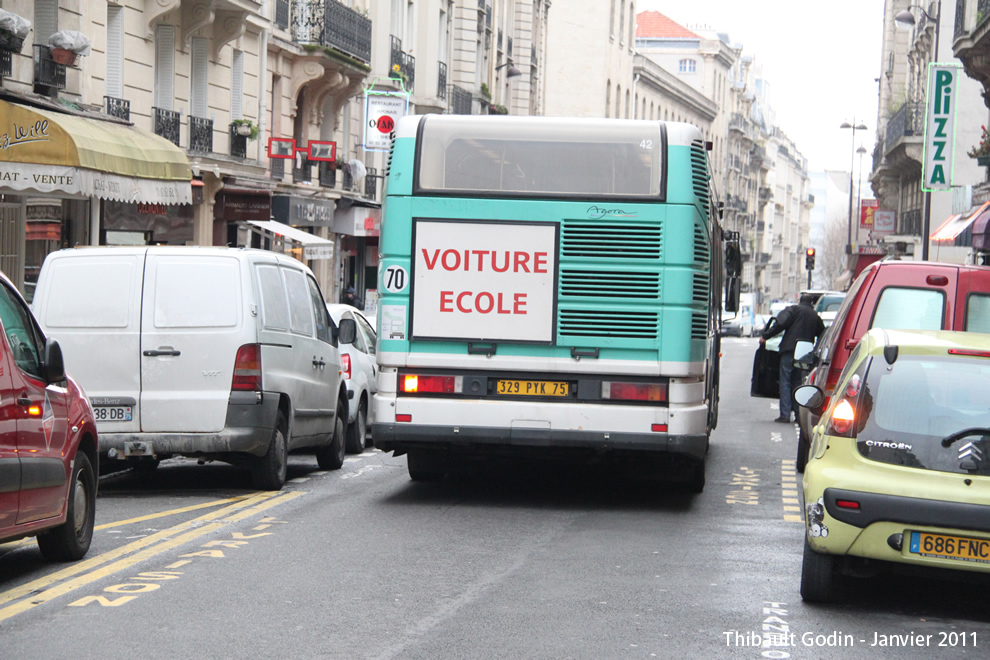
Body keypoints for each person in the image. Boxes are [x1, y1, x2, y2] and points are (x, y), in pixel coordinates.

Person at [760, 293, 824, 423]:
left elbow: (779, 325)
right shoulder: (815, 316)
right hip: (804, 354)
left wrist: (765, 336)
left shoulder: (794, 310)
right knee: (797, 383)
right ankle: (798, 414)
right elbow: (822, 333)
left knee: (785, 382)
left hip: (789, 350)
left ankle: (785, 414)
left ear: (800, 301)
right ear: (812, 303)